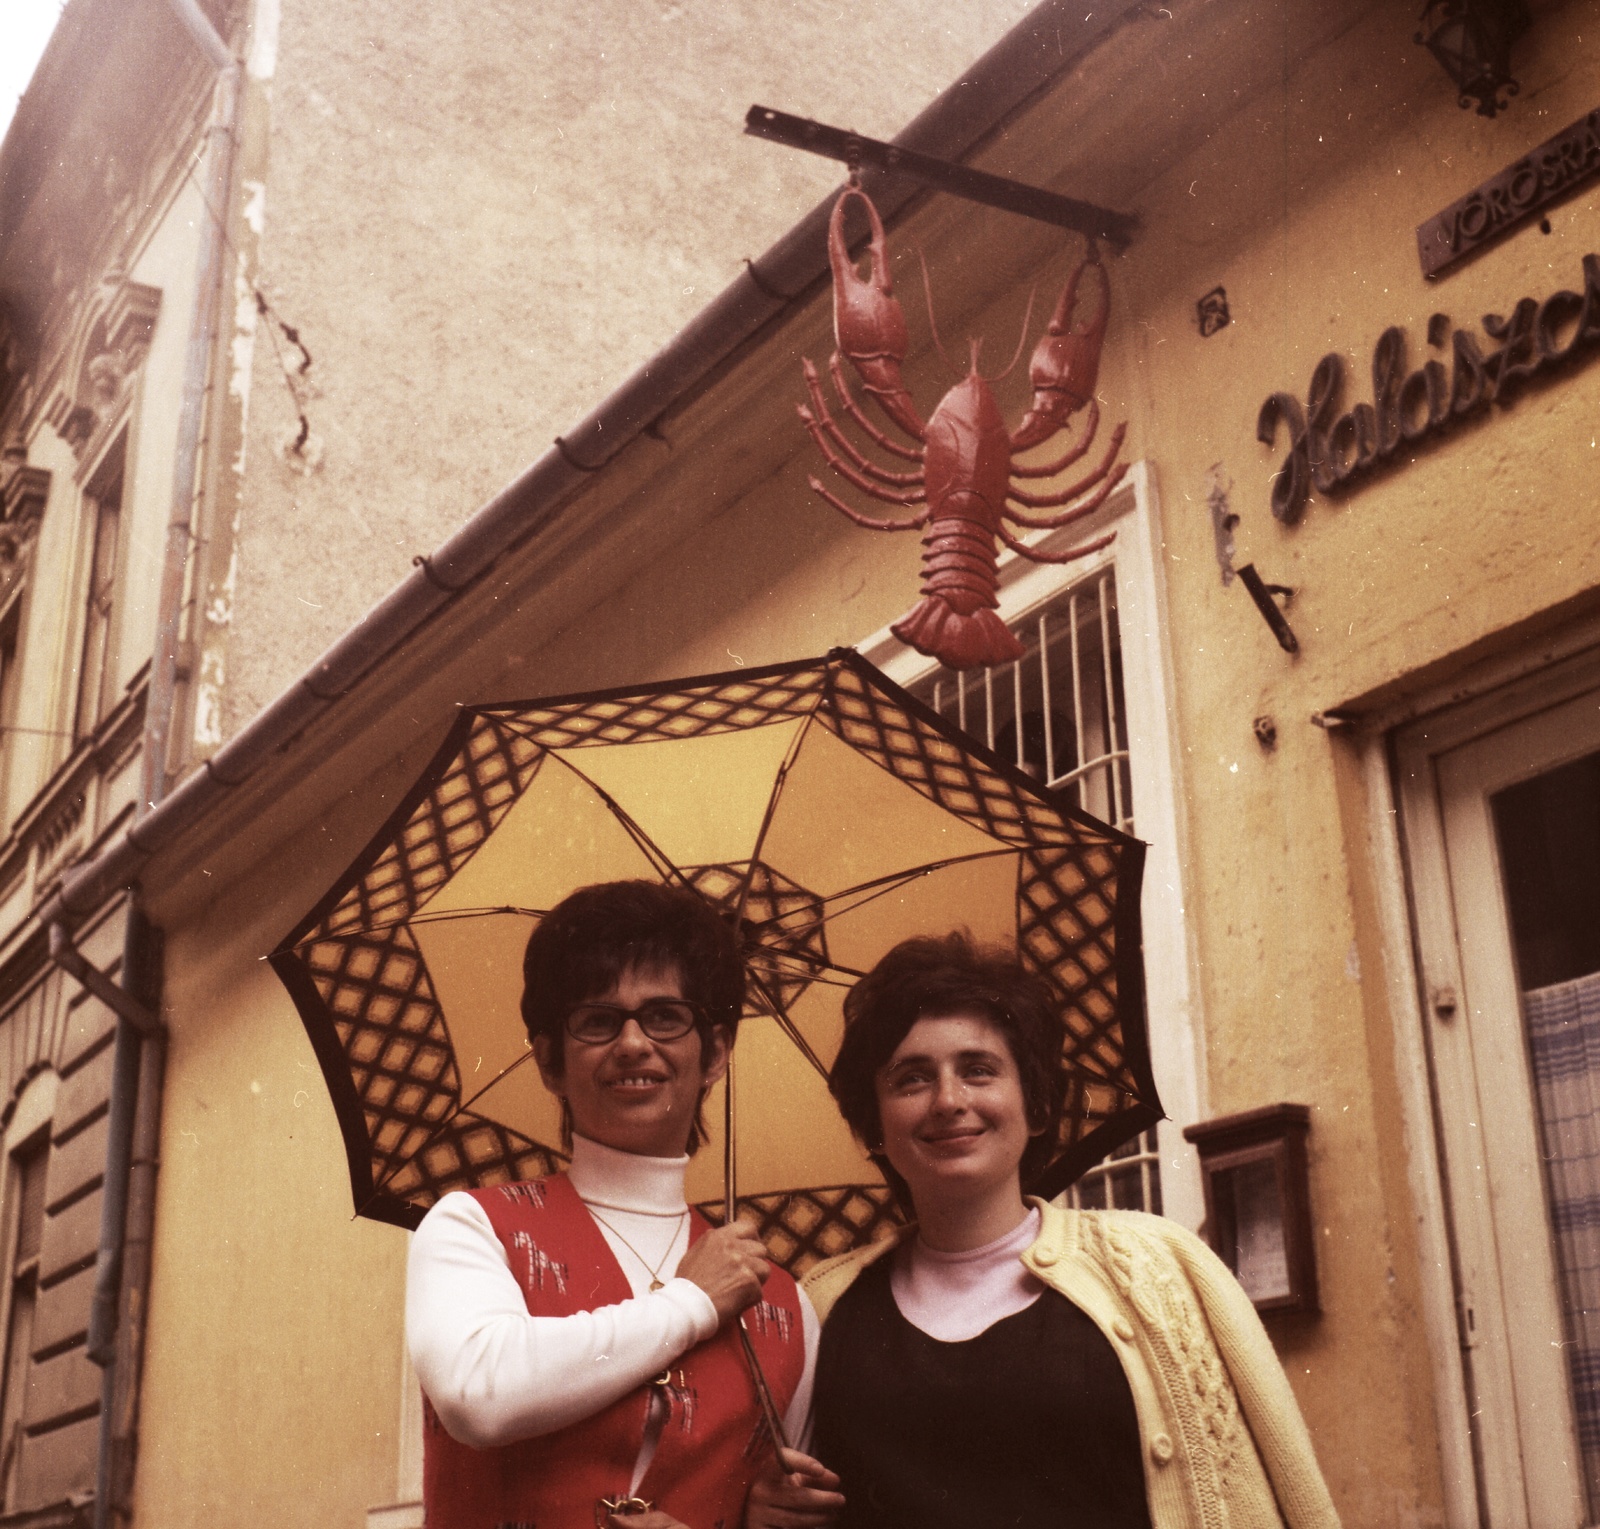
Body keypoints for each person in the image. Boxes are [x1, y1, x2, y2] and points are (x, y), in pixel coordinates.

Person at [748, 933, 1339, 1529]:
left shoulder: (1163, 1264)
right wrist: (760, 1509)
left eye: (979, 1070)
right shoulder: (819, 1307)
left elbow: (1292, 1488)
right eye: (912, 1079)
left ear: (1035, 1105)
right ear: (873, 1124)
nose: (950, 1100)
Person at [408, 880, 817, 1529]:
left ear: (714, 1051)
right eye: (598, 1020)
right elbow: (477, 1396)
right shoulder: (472, 1227)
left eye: (664, 1015)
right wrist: (688, 1303)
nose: (633, 1043)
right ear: (550, 1061)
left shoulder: (785, 1305)